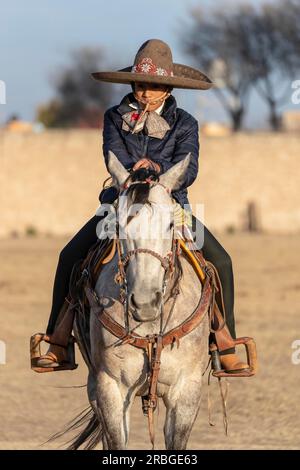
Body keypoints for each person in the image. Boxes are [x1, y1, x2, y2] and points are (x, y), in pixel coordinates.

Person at [36, 39, 249, 373]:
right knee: (70, 255)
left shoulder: (186, 123)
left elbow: (189, 168)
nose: (145, 93)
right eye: (139, 85)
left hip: (171, 206)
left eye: (153, 86)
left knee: (221, 259)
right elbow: (113, 157)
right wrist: (134, 172)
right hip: (119, 207)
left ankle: (224, 340)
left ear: (167, 88)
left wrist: (159, 173)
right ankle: (58, 340)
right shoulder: (114, 118)